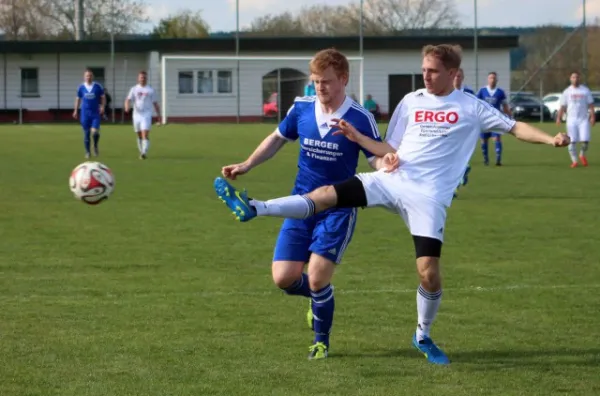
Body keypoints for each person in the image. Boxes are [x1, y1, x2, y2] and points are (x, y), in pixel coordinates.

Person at [214, 44, 570, 365]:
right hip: (392, 182)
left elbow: (515, 127)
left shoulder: (471, 107)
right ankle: (256, 207)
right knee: (327, 195)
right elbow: (389, 150)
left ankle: (422, 335)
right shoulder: (411, 101)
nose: (425, 76)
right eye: (424, 69)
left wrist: (550, 138)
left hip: (428, 197)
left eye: (432, 70)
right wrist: (379, 156)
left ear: (452, 74)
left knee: (428, 271)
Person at [215, 48, 382, 360]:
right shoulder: (301, 109)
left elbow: (377, 159)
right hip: (299, 205)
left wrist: (390, 166)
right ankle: (318, 299)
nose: (320, 87)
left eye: (327, 81)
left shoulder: (360, 118)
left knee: (318, 276)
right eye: (316, 81)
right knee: (284, 278)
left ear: (343, 79)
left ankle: (321, 342)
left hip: (337, 209)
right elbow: (277, 138)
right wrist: (247, 165)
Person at [556, 71, 596, 167]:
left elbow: (591, 105)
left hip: (583, 119)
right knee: (572, 140)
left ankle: (582, 155)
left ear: (579, 78)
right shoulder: (567, 92)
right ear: (570, 79)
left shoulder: (585, 90)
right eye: (573, 77)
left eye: (577, 77)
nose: (575, 79)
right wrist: (559, 117)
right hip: (571, 120)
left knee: (585, 141)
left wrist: (593, 116)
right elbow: (562, 106)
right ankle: (574, 161)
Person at [477, 72, 512, 166]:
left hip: (496, 120)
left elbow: (505, 106)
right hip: (483, 120)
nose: (492, 80)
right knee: (484, 140)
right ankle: (486, 160)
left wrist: (510, 116)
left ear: (496, 80)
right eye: (490, 78)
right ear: (487, 79)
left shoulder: (500, 92)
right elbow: (476, 105)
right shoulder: (482, 91)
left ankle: (498, 160)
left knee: (497, 138)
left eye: (494, 78)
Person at [124, 71, 161, 160]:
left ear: (146, 79)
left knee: (145, 133)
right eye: (141, 77)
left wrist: (159, 116)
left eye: (144, 77)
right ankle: (141, 151)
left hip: (146, 114)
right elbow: (128, 99)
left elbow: (155, 103)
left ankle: (144, 152)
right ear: (138, 78)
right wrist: (127, 107)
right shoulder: (134, 89)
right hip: (136, 115)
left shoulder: (150, 90)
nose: (143, 79)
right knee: (139, 135)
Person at [73, 69, 105, 158]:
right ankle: (87, 152)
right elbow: (78, 99)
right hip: (85, 114)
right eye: (87, 76)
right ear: (84, 77)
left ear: (93, 77)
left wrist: (102, 106)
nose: (88, 77)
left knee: (95, 133)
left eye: (90, 75)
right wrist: (75, 110)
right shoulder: (81, 88)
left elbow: (102, 97)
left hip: (95, 114)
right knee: (86, 133)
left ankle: (95, 145)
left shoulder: (98, 86)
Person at [453, 68, 474, 197]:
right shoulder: (445, 92)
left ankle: (454, 188)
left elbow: (475, 109)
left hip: (463, 129)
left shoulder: (468, 93)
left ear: (463, 78)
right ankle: (463, 172)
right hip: (448, 129)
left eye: (459, 76)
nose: (457, 78)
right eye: (455, 76)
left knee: (454, 159)